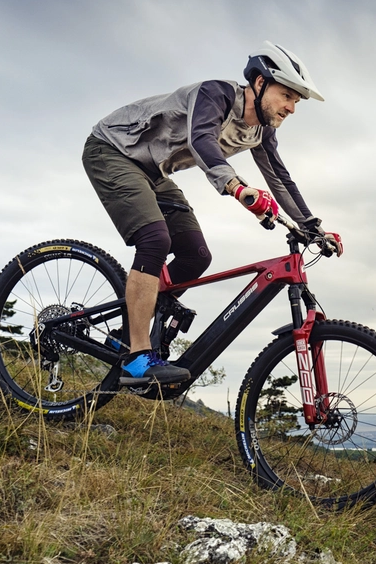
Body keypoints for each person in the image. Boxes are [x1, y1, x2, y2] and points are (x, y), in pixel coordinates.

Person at [82, 42, 342, 385]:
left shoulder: (263, 130)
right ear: (260, 83)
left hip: (153, 170)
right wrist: (237, 187)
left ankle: (130, 329)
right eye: (287, 96)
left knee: (196, 256)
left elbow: (279, 178)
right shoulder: (216, 94)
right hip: (113, 151)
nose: (292, 108)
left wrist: (311, 227)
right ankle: (137, 358)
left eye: (297, 101)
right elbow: (201, 138)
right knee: (155, 239)